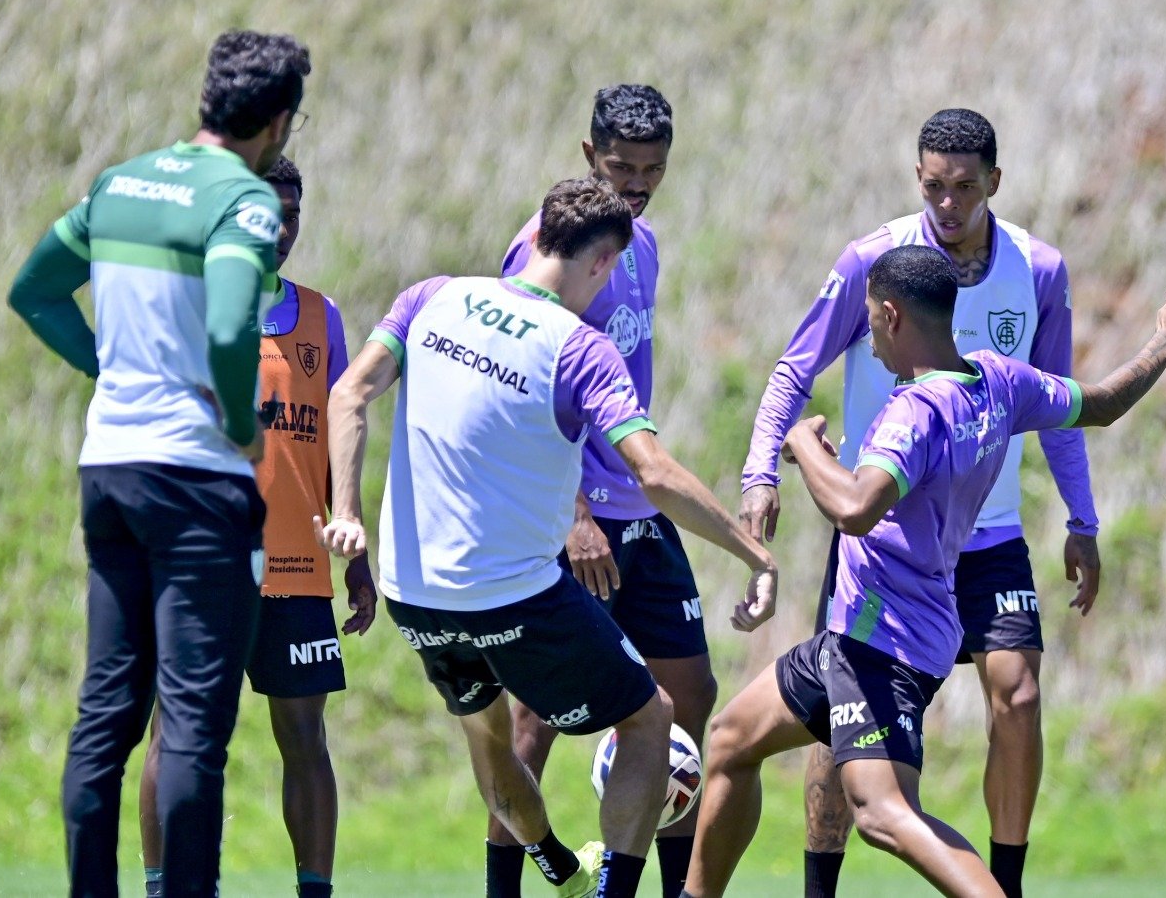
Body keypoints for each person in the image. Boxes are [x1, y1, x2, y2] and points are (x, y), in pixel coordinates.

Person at [685, 247, 1166, 898]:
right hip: (858, 642)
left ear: (890, 315)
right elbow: (1103, 403)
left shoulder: (916, 412)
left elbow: (855, 508)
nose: (871, 340)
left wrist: (801, 445)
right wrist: (1163, 343)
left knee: (882, 814)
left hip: (885, 645)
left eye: (870, 324)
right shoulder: (999, 381)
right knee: (732, 740)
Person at [318, 177, 779, 898]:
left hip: (417, 599)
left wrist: (347, 514)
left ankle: (556, 868)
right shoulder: (580, 347)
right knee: (649, 718)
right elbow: (652, 472)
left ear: (533, 240)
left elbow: (348, 394)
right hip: (512, 598)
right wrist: (753, 553)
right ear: (602, 264)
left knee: (494, 743)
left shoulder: (430, 297)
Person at [739, 109, 1101, 897]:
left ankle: (1004, 883)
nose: (947, 204)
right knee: (833, 720)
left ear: (994, 185)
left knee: (1019, 690)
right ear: (918, 180)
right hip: (885, 532)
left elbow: (1065, 410)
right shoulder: (877, 261)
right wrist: (760, 472)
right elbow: (793, 371)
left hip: (988, 531)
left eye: (965, 188)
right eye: (934, 187)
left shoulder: (1038, 269)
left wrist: (1081, 519)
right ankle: (818, 888)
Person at [6, 30, 310, 898]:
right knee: (191, 728)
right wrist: (245, 428)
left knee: (106, 715)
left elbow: (33, 292)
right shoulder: (245, 202)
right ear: (280, 119)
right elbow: (225, 333)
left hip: (109, 469)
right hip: (195, 481)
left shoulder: (120, 182)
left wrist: (112, 367)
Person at [135, 156, 377, 898]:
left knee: (305, 742)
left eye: (292, 214)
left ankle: (314, 892)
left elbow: (340, 431)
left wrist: (356, 548)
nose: (279, 229)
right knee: (177, 740)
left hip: (297, 571)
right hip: (201, 569)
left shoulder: (320, 315)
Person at [492, 84, 709, 898]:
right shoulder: (538, 250)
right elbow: (522, 397)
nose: (637, 182)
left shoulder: (642, 243)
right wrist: (573, 512)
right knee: (537, 715)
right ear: (589, 157)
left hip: (642, 513)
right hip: (574, 519)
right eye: (622, 167)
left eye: (653, 168)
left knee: (689, 694)